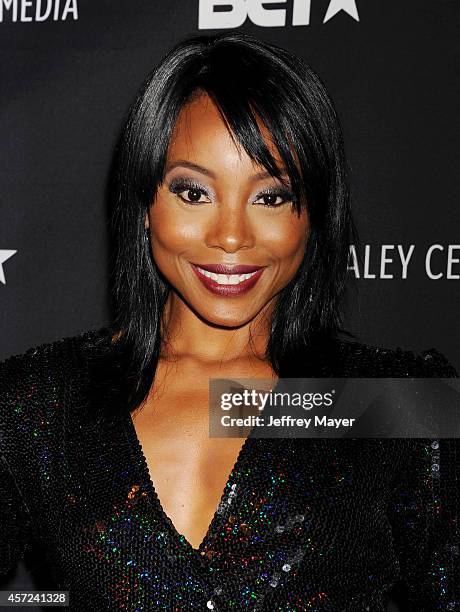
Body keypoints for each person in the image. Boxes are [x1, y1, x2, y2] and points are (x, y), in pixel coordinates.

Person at [0, 32, 458, 612]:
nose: (232, 236)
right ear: (145, 203)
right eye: (194, 192)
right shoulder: (39, 406)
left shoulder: (394, 402)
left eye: (270, 197)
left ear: (314, 215)